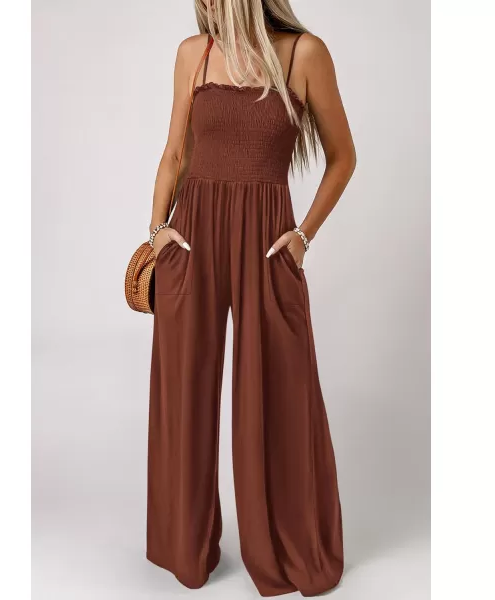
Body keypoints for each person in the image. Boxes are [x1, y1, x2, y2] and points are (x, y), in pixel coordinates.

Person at [145, 1, 356, 596]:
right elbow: (175, 154)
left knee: (278, 392)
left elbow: (344, 157)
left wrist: (303, 236)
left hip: (267, 243)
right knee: (184, 391)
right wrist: (157, 232)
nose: (205, 2)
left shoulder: (303, 54)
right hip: (194, 238)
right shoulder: (194, 53)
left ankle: (284, 546)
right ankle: (184, 548)